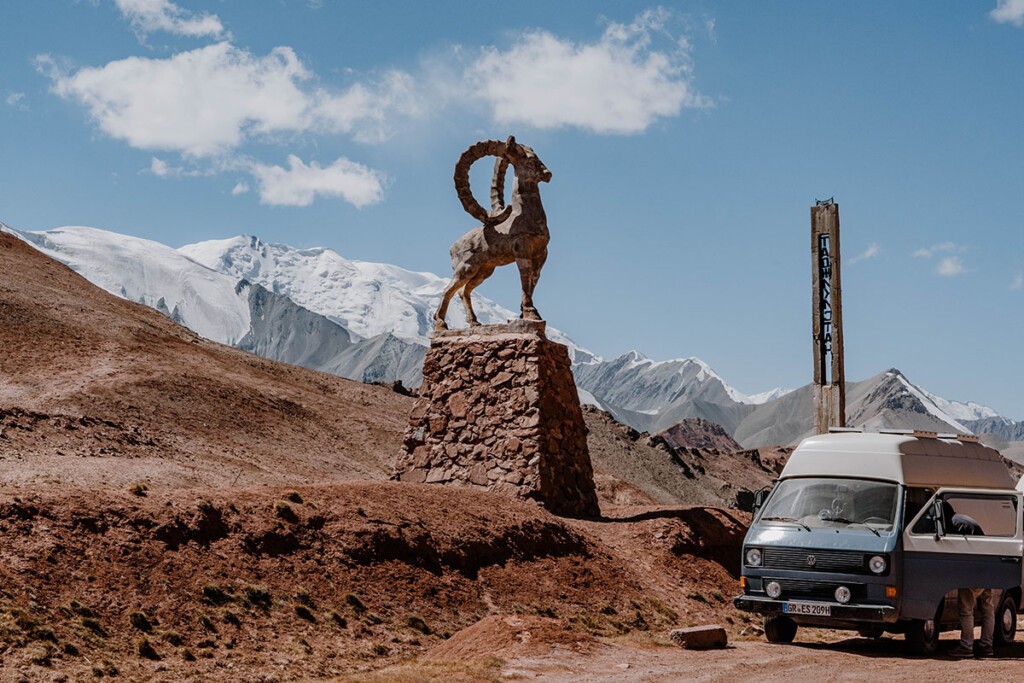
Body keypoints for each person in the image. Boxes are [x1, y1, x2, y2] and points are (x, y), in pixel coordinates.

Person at [943, 504, 995, 658]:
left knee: (966, 609)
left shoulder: (952, 523)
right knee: (988, 608)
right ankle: (987, 646)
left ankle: (966, 646)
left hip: (973, 572)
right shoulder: (963, 520)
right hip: (988, 568)